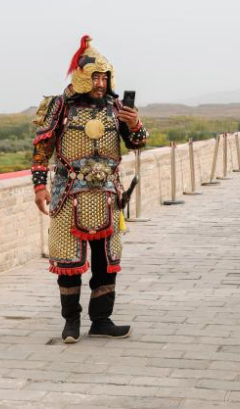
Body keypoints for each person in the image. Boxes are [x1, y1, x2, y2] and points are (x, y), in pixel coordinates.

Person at [31, 35, 148, 343]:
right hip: (69, 193)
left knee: (107, 261)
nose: (100, 83)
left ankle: (101, 320)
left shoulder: (116, 106)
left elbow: (137, 143)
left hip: (108, 194)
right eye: (95, 77)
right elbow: (42, 148)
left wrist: (135, 125)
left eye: (104, 77)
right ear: (82, 76)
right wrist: (39, 187)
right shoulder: (60, 106)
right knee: (67, 260)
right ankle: (71, 322)